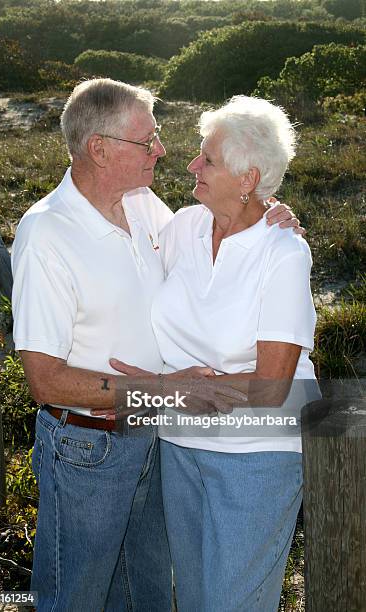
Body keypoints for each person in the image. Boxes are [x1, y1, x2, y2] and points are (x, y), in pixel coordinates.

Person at [11, 78, 301, 611]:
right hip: (87, 448)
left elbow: (222, 237)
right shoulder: (46, 234)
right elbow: (44, 380)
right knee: (75, 596)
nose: (163, 152)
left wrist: (269, 212)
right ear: (100, 149)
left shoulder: (145, 206)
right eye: (148, 141)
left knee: (147, 593)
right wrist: (162, 390)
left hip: (153, 440)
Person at [102, 95, 319, 612]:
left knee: (233, 603)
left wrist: (179, 390)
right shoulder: (183, 226)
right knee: (196, 600)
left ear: (249, 179)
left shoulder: (283, 253)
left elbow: (271, 386)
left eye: (209, 159)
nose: (192, 164)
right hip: (179, 447)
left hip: (254, 458)